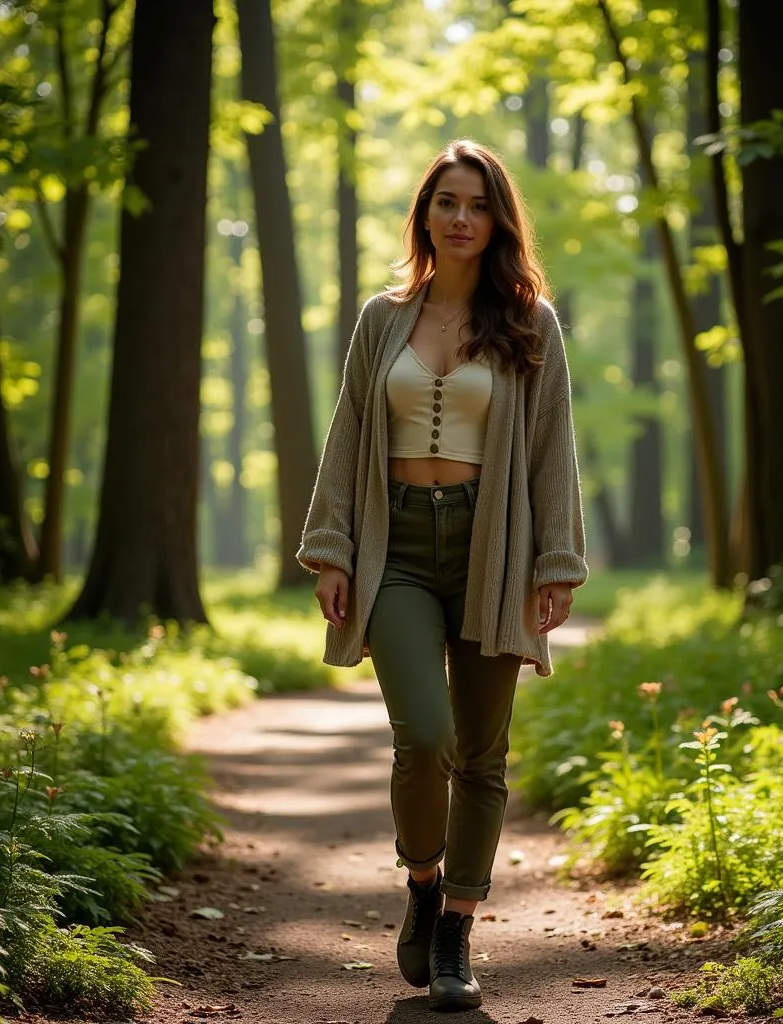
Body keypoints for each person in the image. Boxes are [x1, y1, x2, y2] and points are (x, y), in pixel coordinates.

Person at [297, 139, 587, 1012]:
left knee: (485, 754)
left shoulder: (531, 322)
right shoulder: (382, 318)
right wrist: (333, 548)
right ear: (425, 213)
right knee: (424, 736)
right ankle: (421, 881)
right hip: (399, 551)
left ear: (499, 219)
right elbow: (348, 436)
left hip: (491, 546)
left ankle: (457, 926)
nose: (462, 219)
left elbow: (550, 451)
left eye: (478, 205)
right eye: (447, 203)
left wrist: (556, 564)